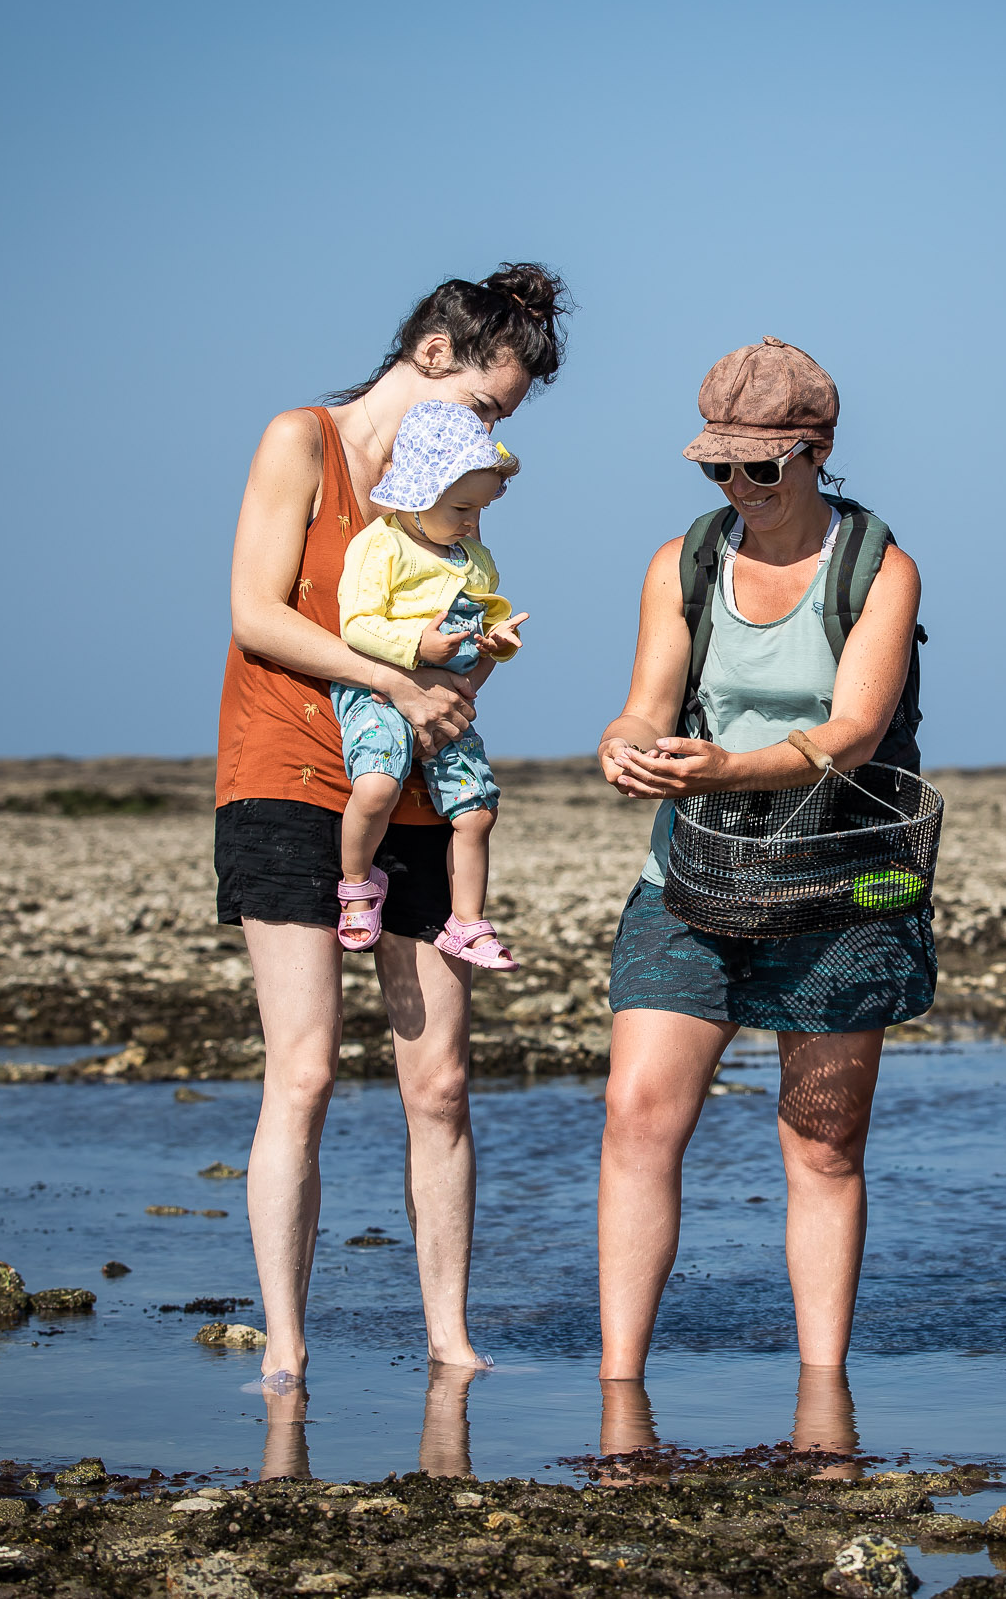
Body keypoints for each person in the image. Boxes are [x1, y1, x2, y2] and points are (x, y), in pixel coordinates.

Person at [214, 263, 569, 1388]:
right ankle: (286, 1336)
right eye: (485, 404)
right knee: (306, 1070)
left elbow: (448, 643)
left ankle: (450, 1335)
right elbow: (256, 612)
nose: (489, 434)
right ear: (431, 354)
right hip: (283, 773)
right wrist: (394, 675)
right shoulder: (301, 442)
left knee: (441, 1083)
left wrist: (463, 667)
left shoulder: (453, 502)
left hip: (419, 786)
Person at [593, 336, 929, 1381]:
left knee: (822, 1145)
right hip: (690, 877)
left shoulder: (880, 567)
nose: (739, 486)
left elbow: (854, 731)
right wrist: (627, 745)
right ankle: (618, 1386)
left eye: (761, 466)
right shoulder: (682, 561)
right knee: (637, 1113)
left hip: (840, 886)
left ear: (816, 450)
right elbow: (648, 702)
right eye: (717, 467)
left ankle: (822, 1396)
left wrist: (728, 768)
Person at [330, 399, 531, 971]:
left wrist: (495, 644)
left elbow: (480, 626)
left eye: (481, 510)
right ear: (419, 494)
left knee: (478, 811)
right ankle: (357, 885)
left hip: (446, 701)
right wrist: (416, 646)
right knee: (375, 788)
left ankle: (466, 922)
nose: (472, 523)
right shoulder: (380, 545)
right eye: (461, 508)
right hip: (376, 692)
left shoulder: (475, 560)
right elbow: (357, 624)